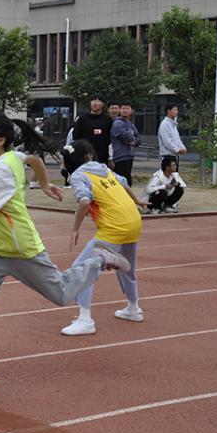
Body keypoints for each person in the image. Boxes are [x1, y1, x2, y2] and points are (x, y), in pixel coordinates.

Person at [0, 113, 130, 380]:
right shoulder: (10, 157)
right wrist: (44, 183)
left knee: (61, 294)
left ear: (1, 140)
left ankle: (99, 260)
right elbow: (35, 160)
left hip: (21, 250)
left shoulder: (3, 170)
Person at [61, 140, 150, 335]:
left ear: (68, 162)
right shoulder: (103, 168)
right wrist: (137, 201)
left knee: (82, 268)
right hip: (133, 220)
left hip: (114, 227)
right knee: (126, 266)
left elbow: (84, 201)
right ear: (89, 155)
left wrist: (75, 229)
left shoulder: (78, 175)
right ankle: (133, 309)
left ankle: (85, 320)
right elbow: (124, 182)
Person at [72, 95, 113, 170]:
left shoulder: (108, 120)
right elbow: (75, 136)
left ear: (103, 104)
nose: (95, 103)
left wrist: (111, 157)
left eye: (98, 101)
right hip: (85, 155)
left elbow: (110, 139)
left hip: (102, 156)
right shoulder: (82, 119)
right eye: (93, 100)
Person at [111, 102, 141, 186]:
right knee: (124, 182)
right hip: (119, 157)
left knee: (127, 181)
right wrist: (132, 139)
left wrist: (133, 141)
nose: (125, 110)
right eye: (123, 108)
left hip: (129, 156)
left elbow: (138, 140)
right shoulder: (117, 123)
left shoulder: (130, 124)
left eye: (127, 108)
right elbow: (129, 137)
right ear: (120, 110)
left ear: (132, 111)